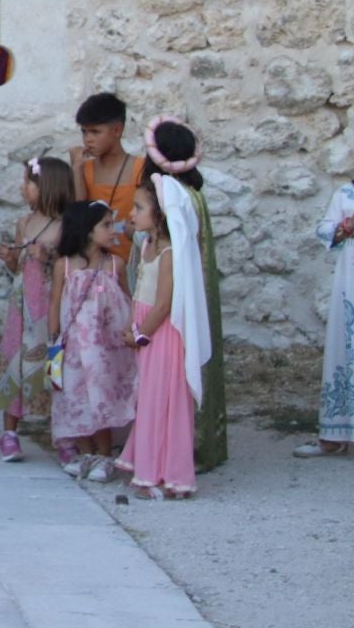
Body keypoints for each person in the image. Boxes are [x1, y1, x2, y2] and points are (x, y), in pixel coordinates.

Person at [113, 176, 210, 499]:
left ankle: (168, 474)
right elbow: (141, 289)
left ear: (161, 214)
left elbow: (165, 303)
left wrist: (140, 334)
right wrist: (130, 323)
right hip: (144, 328)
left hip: (161, 335)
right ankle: (151, 466)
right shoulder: (146, 245)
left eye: (139, 207)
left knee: (163, 400)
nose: (131, 213)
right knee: (148, 400)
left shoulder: (169, 253)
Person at [142, 117, 227, 472]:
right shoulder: (193, 195)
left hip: (173, 296)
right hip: (196, 289)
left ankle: (175, 450)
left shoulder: (170, 199)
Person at [46, 201, 137, 481]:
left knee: (102, 397)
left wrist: (131, 330)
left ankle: (105, 455)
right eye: (106, 225)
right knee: (76, 397)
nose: (114, 230)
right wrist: (53, 341)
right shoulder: (64, 266)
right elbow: (55, 302)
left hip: (106, 347)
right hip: (73, 347)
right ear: (87, 231)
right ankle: (85, 452)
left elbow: (127, 299)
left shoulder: (115, 265)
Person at [0, 155, 69, 462]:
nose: (23, 188)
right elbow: (18, 267)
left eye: (28, 182)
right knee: (16, 362)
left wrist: (47, 253)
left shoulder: (64, 226)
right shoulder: (24, 222)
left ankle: (62, 431)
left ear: (47, 187)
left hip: (49, 307)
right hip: (21, 308)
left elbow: (67, 264)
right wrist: (10, 257)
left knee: (54, 364)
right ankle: (9, 431)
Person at [296, 176, 354, 458]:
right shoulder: (345, 193)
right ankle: (335, 434)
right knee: (344, 351)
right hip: (349, 287)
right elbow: (325, 230)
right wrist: (343, 228)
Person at [71, 92, 142, 264]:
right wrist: (76, 170)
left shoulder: (141, 168)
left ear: (117, 130)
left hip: (132, 265)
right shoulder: (84, 169)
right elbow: (79, 221)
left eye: (95, 132)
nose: (88, 139)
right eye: (84, 132)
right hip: (95, 269)